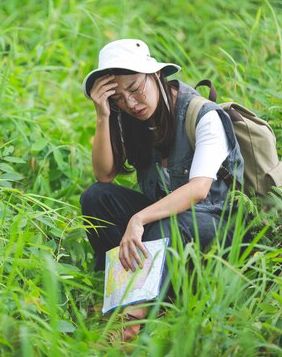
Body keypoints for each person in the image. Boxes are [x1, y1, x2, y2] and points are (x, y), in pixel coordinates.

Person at [80, 39, 244, 342]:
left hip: (216, 231)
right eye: (119, 98)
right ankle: (125, 293)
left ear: (154, 74)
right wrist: (103, 115)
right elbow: (104, 174)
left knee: (175, 221)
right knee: (96, 197)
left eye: (135, 89)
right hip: (166, 234)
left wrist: (139, 219)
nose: (130, 103)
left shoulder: (203, 115)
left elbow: (198, 190)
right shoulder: (129, 118)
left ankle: (128, 318)